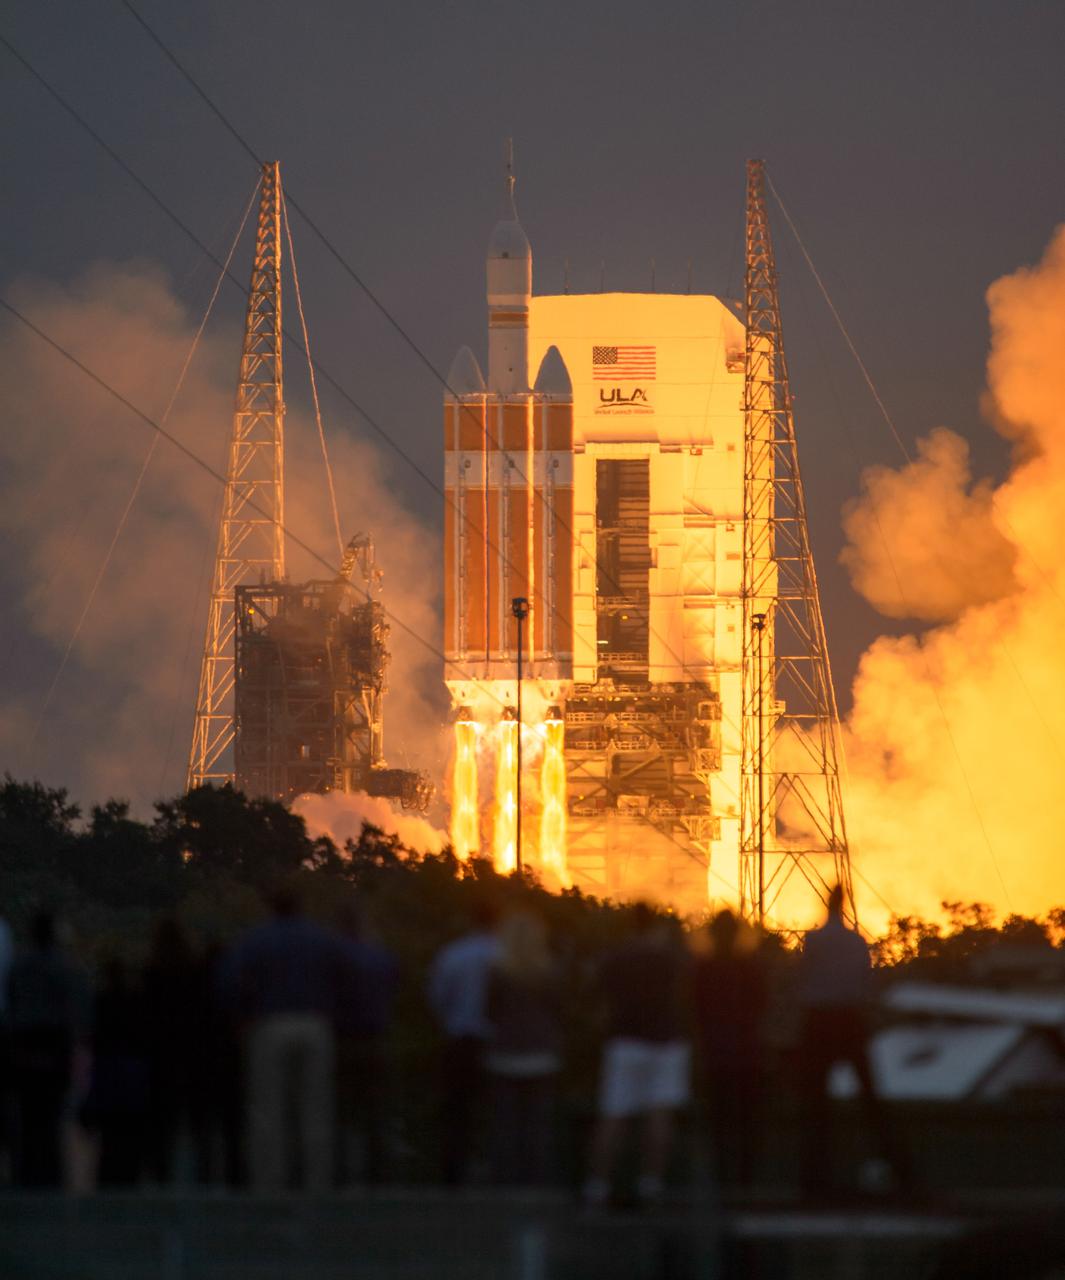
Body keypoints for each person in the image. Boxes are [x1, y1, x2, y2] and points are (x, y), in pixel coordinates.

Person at [226, 882, 346, 1193]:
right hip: (315, 1025)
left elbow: (230, 981)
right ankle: (317, 1182)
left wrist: (242, 1016)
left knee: (268, 1108)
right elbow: (344, 977)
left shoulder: (257, 940)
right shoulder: (321, 939)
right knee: (315, 1107)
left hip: (270, 1024)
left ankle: (270, 1183)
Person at [796, 884, 908, 1199]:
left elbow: (803, 978)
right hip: (850, 1020)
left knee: (814, 1101)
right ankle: (891, 1163)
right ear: (844, 904)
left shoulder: (814, 941)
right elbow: (865, 980)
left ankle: (814, 1177)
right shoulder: (856, 941)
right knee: (869, 1097)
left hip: (818, 1022)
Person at [584, 902, 691, 1207]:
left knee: (613, 1116)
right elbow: (684, 994)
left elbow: (596, 995)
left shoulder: (615, 957)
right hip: (666, 1042)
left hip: (625, 1041)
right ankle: (651, 1185)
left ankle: (597, 1186)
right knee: (660, 1115)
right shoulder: (670, 959)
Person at [7, 911, 89, 1188]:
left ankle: (27, 1173)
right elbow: (75, 1012)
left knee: (28, 1115)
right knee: (51, 1116)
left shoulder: (19, 966)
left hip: (25, 1046)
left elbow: (12, 1004)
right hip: (53, 1046)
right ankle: (51, 1174)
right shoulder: (64, 967)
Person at [485, 910, 562, 1186]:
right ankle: (537, 1180)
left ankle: (505, 1180)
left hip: (505, 1054)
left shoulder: (498, 972)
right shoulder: (548, 971)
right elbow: (558, 1009)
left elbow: (490, 1010)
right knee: (537, 1122)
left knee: (506, 1122)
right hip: (541, 1054)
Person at [692, 909, 766, 1192]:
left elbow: (695, 1011)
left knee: (719, 1122)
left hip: (716, 1056)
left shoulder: (703, 969)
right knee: (747, 1121)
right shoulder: (750, 968)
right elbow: (762, 1005)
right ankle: (747, 1180)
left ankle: (723, 1180)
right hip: (746, 1055)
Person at [427, 897, 499, 1185]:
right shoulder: (506, 955)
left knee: (457, 1111)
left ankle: (453, 1175)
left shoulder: (453, 955)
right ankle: (497, 1173)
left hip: (459, 1041)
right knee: (495, 1111)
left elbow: (437, 997)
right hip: (495, 1044)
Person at [333, 899, 398, 1186]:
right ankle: (377, 1175)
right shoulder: (380, 956)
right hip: (374, 1040)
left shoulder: (335, 957)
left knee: (343, 1111)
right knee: (375, 1111)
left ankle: (342, 1174)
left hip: (343, 1041)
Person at [142, 917, 201, 1185]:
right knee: (191, 1114)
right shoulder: (193, 971)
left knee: (160, 1116)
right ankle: (197, 1171)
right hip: (189, 1048)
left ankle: (161, 1170)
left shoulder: (152, 972)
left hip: (159, 1051)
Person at [82, 956, 150, 1187]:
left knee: (110, 1135)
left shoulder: (102, 1001)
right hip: (129, 1073)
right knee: (127, 1133)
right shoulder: (135, 1002)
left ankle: (110, 1177)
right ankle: (127, 1176)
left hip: (109, 1073)